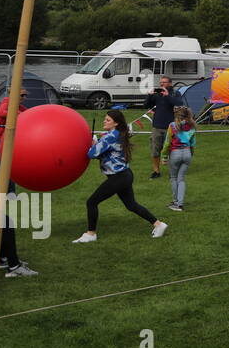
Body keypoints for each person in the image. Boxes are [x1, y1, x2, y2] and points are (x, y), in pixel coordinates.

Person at [73, 110, 167, 242]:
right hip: (125, 175)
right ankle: (159, 225)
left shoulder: (110, 136)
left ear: (116, 123)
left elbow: (91, 154)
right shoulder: (115, 134)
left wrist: (94, 144)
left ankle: (90, 234)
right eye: (105, 119)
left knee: (92, 202)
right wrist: (97, 144)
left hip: (119, 177)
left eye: (108, 120)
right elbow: (103, 152)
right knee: (131, 205)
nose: (104, 121)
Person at [0, 86, 35, 276]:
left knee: (7, 169)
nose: (22, 99)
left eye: (24, 96)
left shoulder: (18, 108)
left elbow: (27, 115)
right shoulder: (6, 104)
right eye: (20, 96)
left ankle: (8, 190)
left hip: (3, 142)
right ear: (12, 95)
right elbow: (5, 112)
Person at [144, 77, 184, 179]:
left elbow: (179, 103)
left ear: (170, 83)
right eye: (160, 82)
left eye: (164, 82)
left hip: (171, 127)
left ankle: (173, 172)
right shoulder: (157, 94)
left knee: (172, 150)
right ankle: (156, 171)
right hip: (157, 126)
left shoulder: (175, 93)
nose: (162, 84)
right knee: (155, 150)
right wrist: (149, 96)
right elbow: (146, 105)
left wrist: (167, 96)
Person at [166, 106, 196, 212]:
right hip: (187, 153)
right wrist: (191, 154)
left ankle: (175, 202)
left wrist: (164, 156)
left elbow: (167, 143)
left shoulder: (172, 126)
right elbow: (193, 143)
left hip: (175, 153)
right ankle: (180, 203)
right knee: (181, 179)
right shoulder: (192, 126)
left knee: (173, 178)